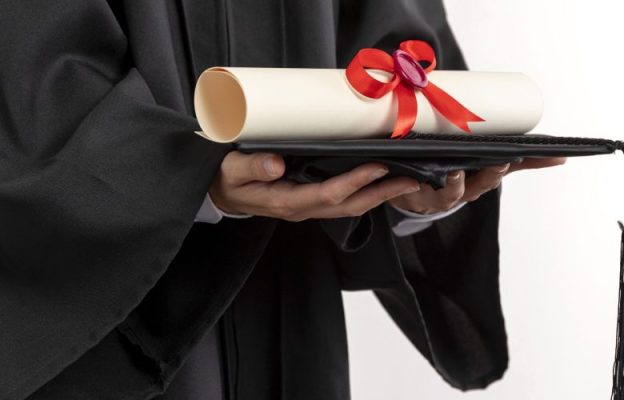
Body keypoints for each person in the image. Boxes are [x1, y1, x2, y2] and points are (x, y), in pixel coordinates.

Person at [0, 1, 564, 399]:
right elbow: (32, 82)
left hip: (296, 303)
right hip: (111, 326)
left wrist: (417, 184)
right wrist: (186, 176)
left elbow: (399, 60)